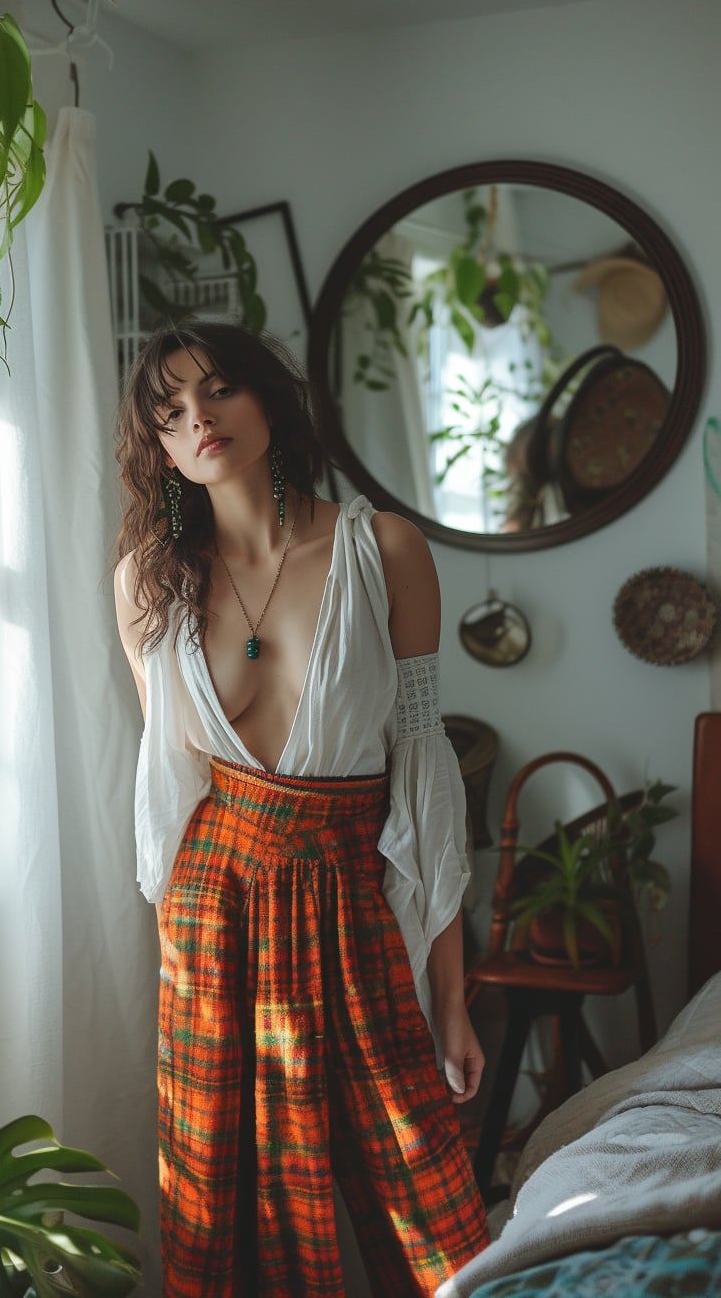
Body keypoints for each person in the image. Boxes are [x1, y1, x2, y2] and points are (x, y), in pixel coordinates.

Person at [113, 320, 489, 1298]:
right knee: (216, 1190)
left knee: (422, 1175)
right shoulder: (144, 583)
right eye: (169, 411)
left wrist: (448, 997)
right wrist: (181, 965)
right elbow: (168, 783)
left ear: (268, 402)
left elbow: (422, 778)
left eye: (217, 390)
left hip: (347, 887)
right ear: (155, 448)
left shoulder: (383, 550)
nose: (197, 417)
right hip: (211, 914)